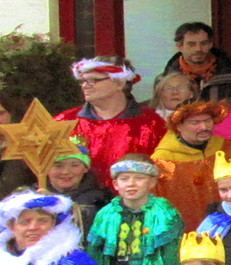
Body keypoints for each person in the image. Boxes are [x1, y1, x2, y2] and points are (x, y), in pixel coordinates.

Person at [54, 57, 167, 189]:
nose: (85, 85)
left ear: (119, 83)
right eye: (83, 81)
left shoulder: (152, 124)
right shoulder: (64, 121)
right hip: (77, 205)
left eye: (93, 80)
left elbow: (163, 171)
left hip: (133, 204)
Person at [151, 100, 229, 231]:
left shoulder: (224, 147)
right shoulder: (162, 161)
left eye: (207, 121)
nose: (204, 127)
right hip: (184, 230)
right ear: (179, 126)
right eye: (195, 123)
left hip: (225, 225)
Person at [46, 138, 111, 236]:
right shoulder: (28, 197)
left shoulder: (101, 200)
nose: (65, 172)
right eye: (58, 166)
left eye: (74, 165)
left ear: (85, 168)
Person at [162, 21, 231, 102]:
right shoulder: (164, 81)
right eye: (191, 44)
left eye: (203, 43)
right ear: (179, 46)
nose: (198, 49)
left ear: (210, 44)